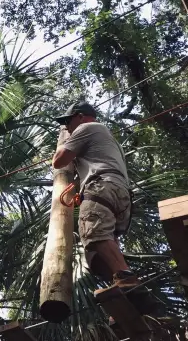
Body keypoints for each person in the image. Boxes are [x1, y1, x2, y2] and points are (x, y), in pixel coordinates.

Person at [51, 100, 155, 313]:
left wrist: (65, 141)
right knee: (98, 251)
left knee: (94, 233)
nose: (67, 127)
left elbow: (58, 161)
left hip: (102, 188)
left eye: (68, 122)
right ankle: (126, 296)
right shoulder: (106, 138)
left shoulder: (87, 128)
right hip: (118, 193)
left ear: (80, 116)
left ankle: (126, 278)